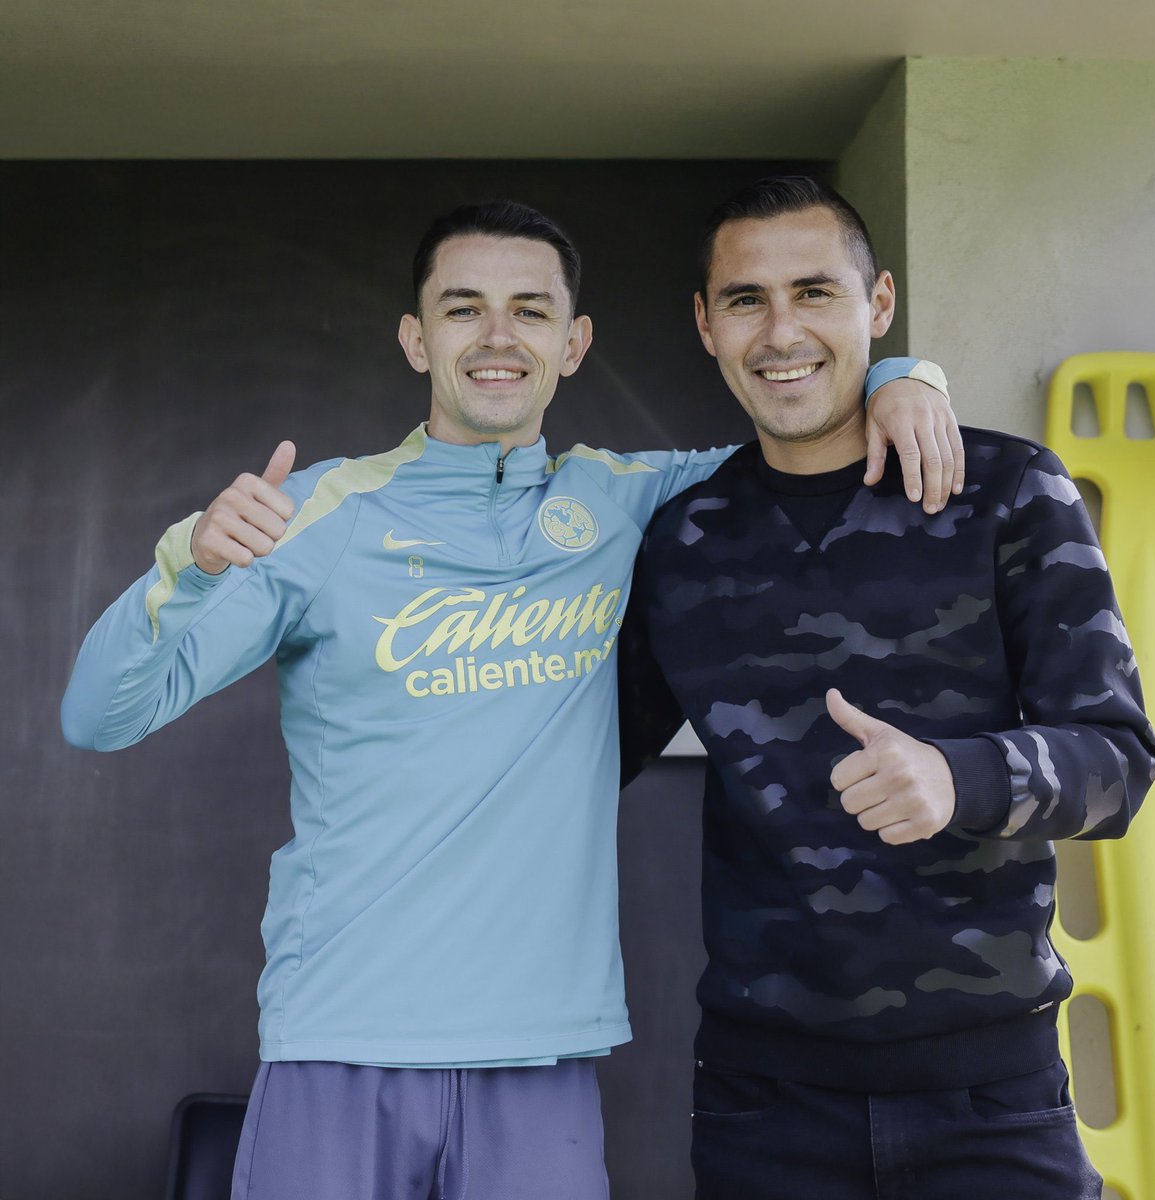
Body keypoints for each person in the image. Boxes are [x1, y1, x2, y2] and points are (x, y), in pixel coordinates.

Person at [60, 198, 960, 1199]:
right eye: (463, 309)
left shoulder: (627, 499)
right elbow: (98, 716)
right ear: (416, 338)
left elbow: (804, 440)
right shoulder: (320, 512)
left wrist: (900, 376)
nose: (498, 337)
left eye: (530, 311)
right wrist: (186, 563)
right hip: (340, 1034)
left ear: (574, 344)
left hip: (542, 1053)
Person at [619, 176, 1155, 1200]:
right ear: (705, 324)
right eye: (747, 300)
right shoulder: (682, 543)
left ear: (878, 306)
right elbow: (581, 752)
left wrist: (963, 779)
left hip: (991, 1096)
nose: (781, 331)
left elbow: (1119, 763)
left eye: (815, 292)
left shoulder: (1009, 492)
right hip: (765, 1107)